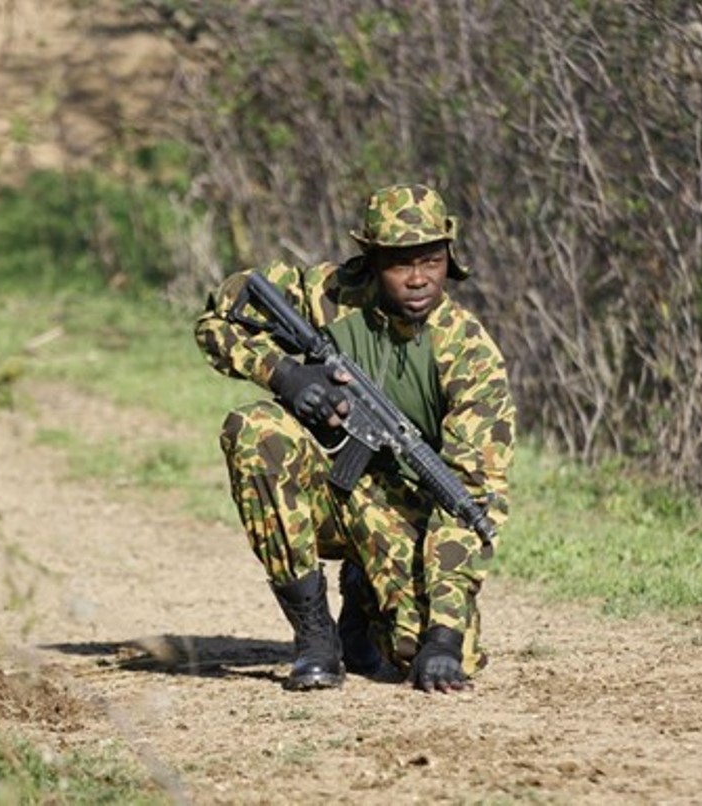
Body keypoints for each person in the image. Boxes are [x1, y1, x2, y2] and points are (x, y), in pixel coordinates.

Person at [194, 183, 514, 693]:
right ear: (370, 259)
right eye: (399, 264)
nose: (417, 280)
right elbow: (219, 317)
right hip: (321, 490)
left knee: (420, 652)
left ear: (450, 259)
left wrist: (447, 635)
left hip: (405, 511)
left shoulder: (470, 353)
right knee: (256, 430)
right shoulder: (325, 293)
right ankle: (315, 637)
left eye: (431, 261)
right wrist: (284, 375)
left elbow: (468, 495)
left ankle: (362, 599)